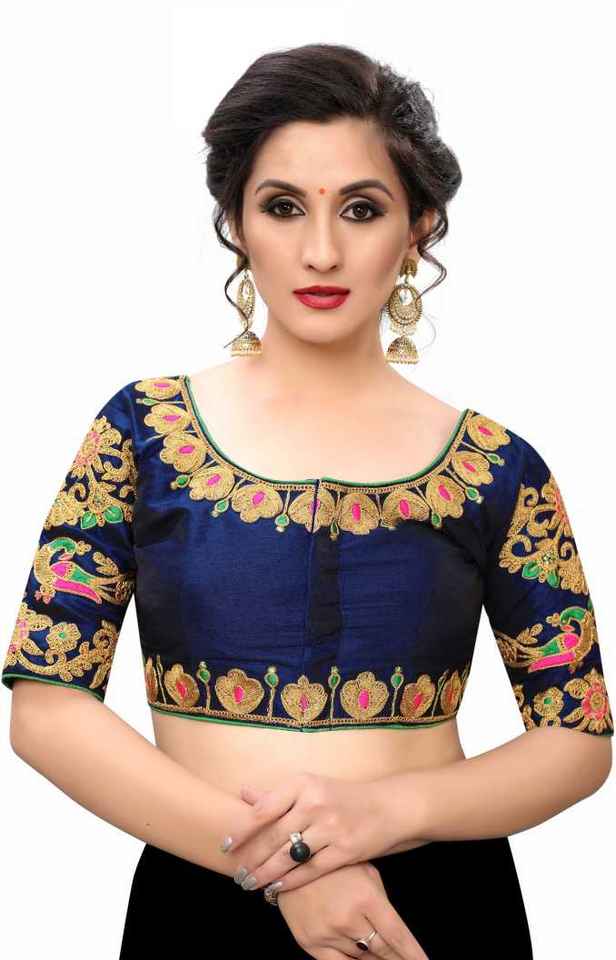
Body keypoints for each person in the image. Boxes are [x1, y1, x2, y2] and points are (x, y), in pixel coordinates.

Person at [3, 43, 612, 960]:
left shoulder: (497, 467)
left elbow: (578, 737)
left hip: (431, 911)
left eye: (361, 209)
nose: (321, 250)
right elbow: (46, 709)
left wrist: (379, 815)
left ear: (419, 229)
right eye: (283, 206)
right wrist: (293, 866)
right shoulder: (143, 433)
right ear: (236, 224)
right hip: (202, 887)